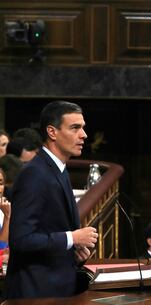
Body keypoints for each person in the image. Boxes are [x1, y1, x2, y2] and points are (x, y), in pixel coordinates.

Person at [5, 101, 99, 299]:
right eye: (75, 128)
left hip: (57, 287)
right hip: (35, 294)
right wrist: (72, 238)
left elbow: (49, 229)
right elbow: (21, 239)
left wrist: (72, 251)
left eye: (83, 128)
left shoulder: (58, 169)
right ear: (52, 132)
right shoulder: (35, 174)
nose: (84, 135)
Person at [0, 169, 11, 250]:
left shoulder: (4, 208)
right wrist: (7, 217)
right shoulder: (7, 212)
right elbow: (1, 248)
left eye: (0, 183)